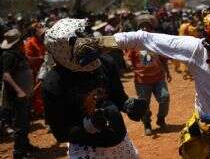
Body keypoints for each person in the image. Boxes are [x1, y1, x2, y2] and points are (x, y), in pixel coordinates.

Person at [74, 0, 210, 158]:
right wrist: (102, 42)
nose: (209, 56)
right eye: (207, 47)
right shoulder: (197, 49)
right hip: (203, 123)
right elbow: (144, 38)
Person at [42, 18, 147, 159]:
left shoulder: (106, 63)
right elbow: (60, 133)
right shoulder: (53, 83)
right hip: (86, 148)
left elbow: (118, 96)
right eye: (75, 41)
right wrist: (89, 126)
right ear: (63, 51)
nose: (86, 41)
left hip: (119, 142)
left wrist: (129, 106)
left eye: (84, 34)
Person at [126, 14, 171, 136]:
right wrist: (129, 63)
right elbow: (128, 58)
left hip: (158, 77)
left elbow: (163, 59)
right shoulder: (134, 43)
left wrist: (168, 72)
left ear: (151, 29)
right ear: (139, 30)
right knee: (143, 104)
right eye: (142, 27)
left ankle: (161, 119)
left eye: (147, 27)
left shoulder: (156, 42)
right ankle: (147, 124)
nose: (145, 29)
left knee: (165, 97)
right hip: (142, 80)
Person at [1, 29, 36, 159]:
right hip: (17, 96)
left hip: (24, 95)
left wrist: (39, 59)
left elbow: (27, 62)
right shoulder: (8, 56)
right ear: (18, 41)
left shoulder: (18, 53)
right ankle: (18, 153)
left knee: (25, 122)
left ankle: (25, 145)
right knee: (19, 125)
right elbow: (6, 75)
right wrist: (19, 90)